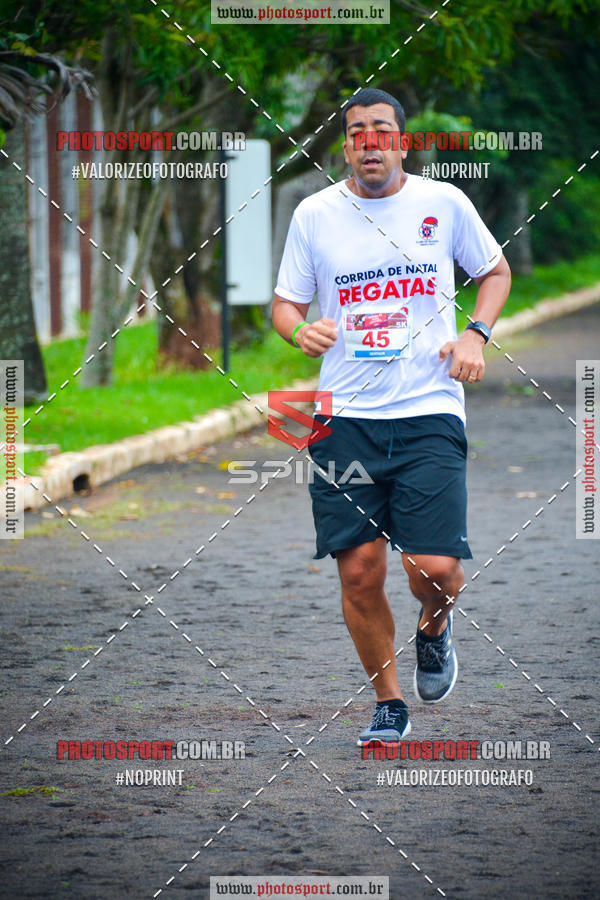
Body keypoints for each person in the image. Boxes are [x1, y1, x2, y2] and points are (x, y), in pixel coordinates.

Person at [272, 87, 511, 744]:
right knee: (358, 570)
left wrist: (473, 336)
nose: (369, 142)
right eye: (356, 133)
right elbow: (284, 305)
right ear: (344, 146)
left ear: (402, 142)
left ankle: (434, 626)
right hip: (342, 416)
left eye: (381, 130)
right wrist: (299, 333)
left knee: (433, 567)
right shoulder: (314, 214)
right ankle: (388, 701)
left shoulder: (443, 204)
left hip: (428, 407)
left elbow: (495, 273)